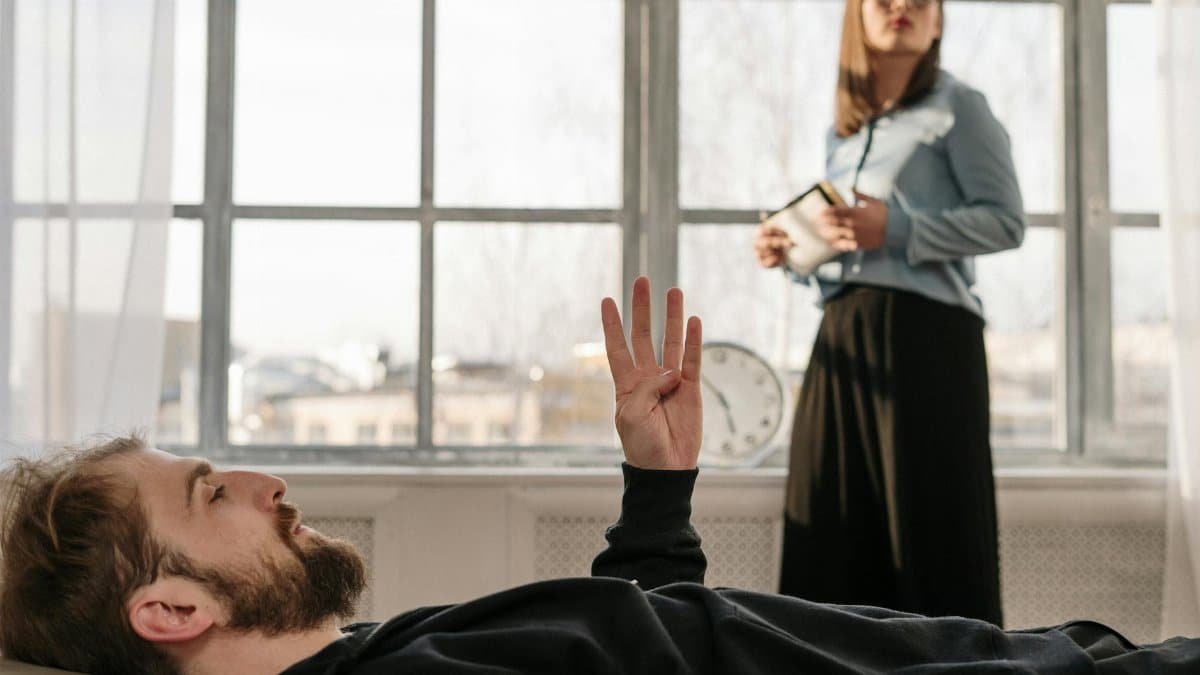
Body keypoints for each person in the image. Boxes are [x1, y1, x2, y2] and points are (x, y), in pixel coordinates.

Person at [2, 279, 1197, 675]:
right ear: (172, 609)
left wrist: (657, 489)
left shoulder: (381, 656)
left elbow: (646, 637)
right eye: (211, 492)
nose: (266, 481)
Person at [754, 0, 1022, 624]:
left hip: (928, 343)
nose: (902, 5)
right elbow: (850, 251)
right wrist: (792, 253)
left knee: (932, 540)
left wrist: (895, 228)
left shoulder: (960, 107)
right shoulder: (842, 134)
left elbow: (1006, 222)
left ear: (938, 20)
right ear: (857, 14)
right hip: (841, 340)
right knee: (828, 532)